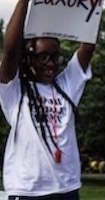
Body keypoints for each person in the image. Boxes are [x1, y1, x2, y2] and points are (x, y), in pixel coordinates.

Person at [0, 0, 96, 199]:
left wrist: (94, 7)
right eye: (43, 57)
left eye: (55, 57)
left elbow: (87, 48)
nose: (51, 64)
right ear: (28, 58)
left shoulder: (66, 85)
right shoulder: (15, 90)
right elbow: (10, 52)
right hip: (28, 191)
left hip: (66, 188)